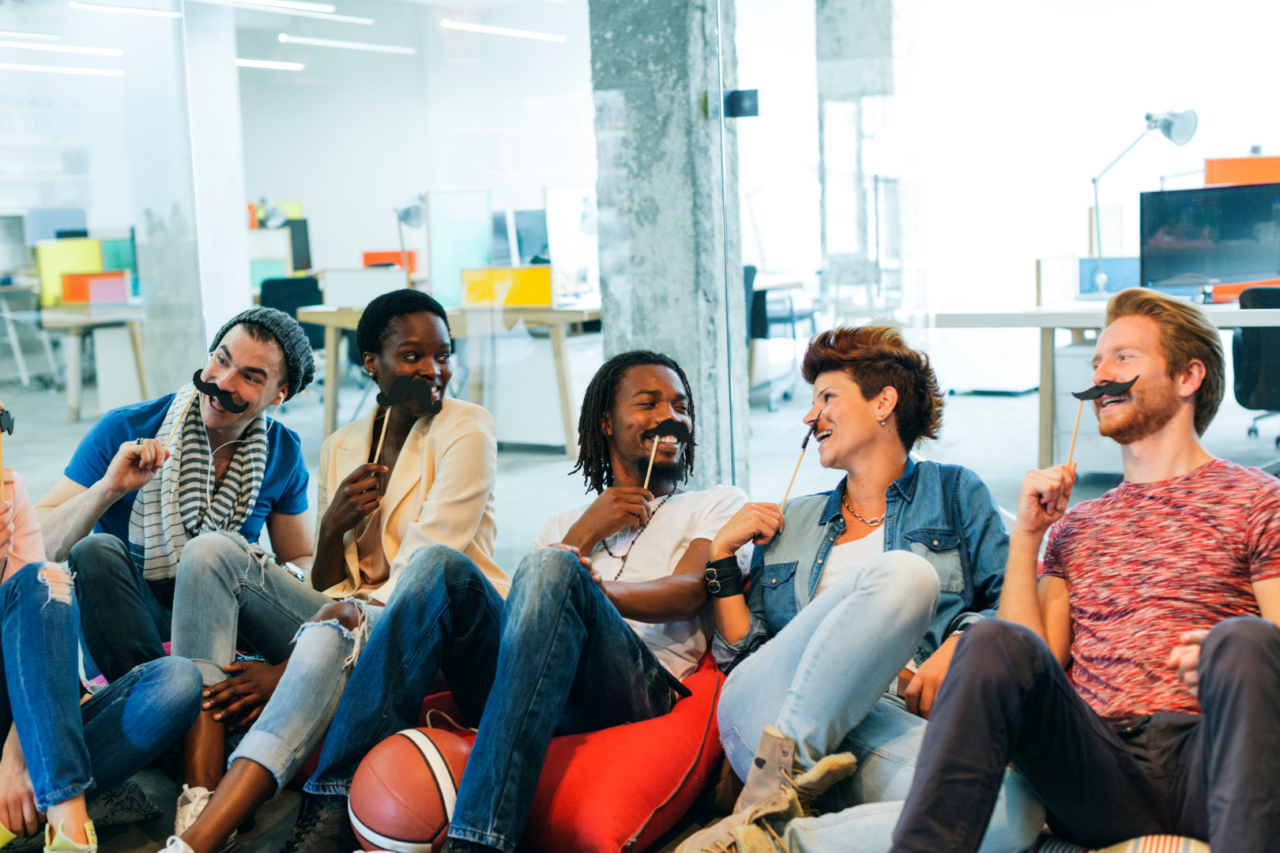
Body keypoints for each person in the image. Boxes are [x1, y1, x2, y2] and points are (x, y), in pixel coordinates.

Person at [889, 288, 1280, 852]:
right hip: (1098, 767)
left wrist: (1228, 660)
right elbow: (1032, 660)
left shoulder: (1257, 500)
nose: (1101, 374)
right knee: (990, 639)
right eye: (1097, 361)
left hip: (1214, 756)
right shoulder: (1078, 525)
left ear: (1189, 376)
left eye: (1123, 357)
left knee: (1247, 640)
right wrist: (1028, 535)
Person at [161, 289, 506, 853]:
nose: (434, 369)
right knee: (212, 552)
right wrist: (330, 527)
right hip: (346, 612)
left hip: (429, 622)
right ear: (372, 363)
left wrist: (283, 669)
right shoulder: (342, 445)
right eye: (413, 355)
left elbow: (427, 565)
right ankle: (198, 793)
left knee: (334, 628)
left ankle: (199, 841)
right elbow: (326, 584)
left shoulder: (467, 428)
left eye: (444, 354)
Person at [680, 326, 1043, 853]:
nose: (810, 416)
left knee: (1017, 805)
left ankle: (769, 837)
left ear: (884, 403)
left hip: (877, 722)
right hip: (767, 715)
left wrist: (963, 644)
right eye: (812, 402)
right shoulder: (793, 518)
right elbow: (746, 653)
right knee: (907, 575)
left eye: (827, 398)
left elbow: (1009, 606)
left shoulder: (955, 492)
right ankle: (777, 780)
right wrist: (720, 559)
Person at [438, 349, 750, 853]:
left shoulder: (714, 503)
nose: (671, 417)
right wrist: (584, 534)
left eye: (681, 405)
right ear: (606, 422)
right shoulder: (563, 525)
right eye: (649, 403)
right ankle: (329, 801)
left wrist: (591, 593)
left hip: (639, 685)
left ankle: (478, 842)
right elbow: (524, 632)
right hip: (545, 686)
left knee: (553, 567)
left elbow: (692, 590)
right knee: (440, 566)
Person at [34, 307, 316, 690]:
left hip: (225, 615)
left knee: (220, 559)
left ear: (278, 395)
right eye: (221, 360)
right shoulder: (126, 427)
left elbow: (299, 556)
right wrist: (109, 489)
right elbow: (35, 546)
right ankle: (164, 701)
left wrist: (275, 574)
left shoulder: (282, 451)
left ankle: (172, 712)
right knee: (95, 551)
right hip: (132, 618)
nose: (223, 382)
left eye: (250, 377)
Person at [0, 424, 202, 853]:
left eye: (1, 422)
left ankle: (54, 802)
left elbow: (35, 616)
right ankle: (68, 823)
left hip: (21, 729)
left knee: (177, 682)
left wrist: (14, 760)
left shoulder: (8, 487)